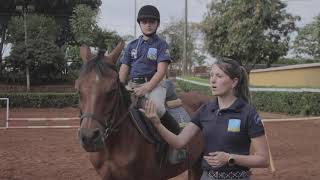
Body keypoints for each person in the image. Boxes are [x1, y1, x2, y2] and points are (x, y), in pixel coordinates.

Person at [141, 58, 270, 180]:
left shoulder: (248, 113)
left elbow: (263, 160)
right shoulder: (205, 110)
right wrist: (157, 124)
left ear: (234, 82)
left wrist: (230, 158)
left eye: (219, 76)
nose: (213, 80)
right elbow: (179, 142)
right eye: (211, 75)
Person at [119, 5, 184, 163]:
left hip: (154, 85)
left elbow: (161, 71)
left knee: (158, 108)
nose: (148, 24)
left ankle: (179, 142)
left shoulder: (161, 45)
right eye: (145, 21)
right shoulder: (132, 45)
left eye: (152, 22)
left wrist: (146, 88)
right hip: (132, 84)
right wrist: (120, 87)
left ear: (157, 24)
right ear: (140, 24)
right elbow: (124, 68)